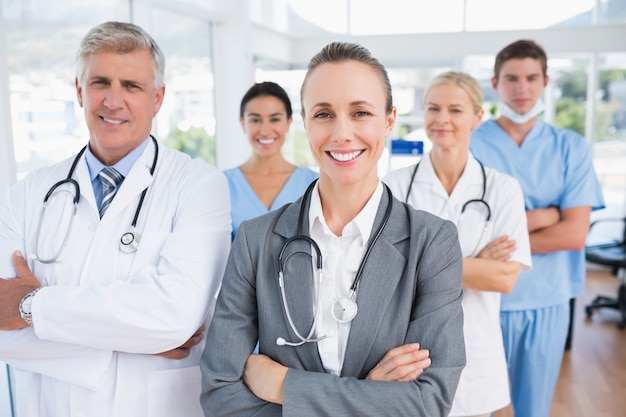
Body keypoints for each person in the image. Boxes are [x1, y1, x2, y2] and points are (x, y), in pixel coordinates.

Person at [200, 41, 466, 417]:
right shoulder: (255, 240)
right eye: (324, 114)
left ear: (389, 120)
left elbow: (429, 401)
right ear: (306, 123)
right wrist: (370, 396)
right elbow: (220, 394)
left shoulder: (432, 243)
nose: (342, 134)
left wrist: (285, 387)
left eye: (360, 112)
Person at [0, 21, 231, 417]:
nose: (113, 101)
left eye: (132, 86)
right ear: (79, 90)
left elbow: (171, 317)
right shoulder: (26, 193)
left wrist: (30, 307)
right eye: (100, 82)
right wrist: (133, 339)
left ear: (157, 98)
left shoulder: (199, 186)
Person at [384, 71, 532, 417]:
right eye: (434, 108)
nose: (442, 119)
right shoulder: (394, 186)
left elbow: (504, 279)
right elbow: (384, 270)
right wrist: (476, 263)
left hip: (476, 347)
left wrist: (418, 261)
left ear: (478, 117)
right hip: (410, 351)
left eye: (455, 110)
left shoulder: (502, 189)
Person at [470, 39, 605, 417]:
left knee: (532, 410)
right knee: (478, 406)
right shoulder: (472, 145)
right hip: (483, 298)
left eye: (531, 78)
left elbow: (574, 235)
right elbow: (468, 231)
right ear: (495, 84)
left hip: (547, 300)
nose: (522, 88)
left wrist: (502, 231)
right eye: (511, 78)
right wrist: (547, 215)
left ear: (545, 82)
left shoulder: (570, 147)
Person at [225, 81, 318, 240]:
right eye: (255, 120)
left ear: (288, 122)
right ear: (243, 123)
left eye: (274, 119)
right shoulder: (222, 184)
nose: (265, 130)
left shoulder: (314, 183)